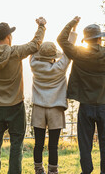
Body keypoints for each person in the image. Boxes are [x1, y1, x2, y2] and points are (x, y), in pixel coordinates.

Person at [57, 17, 105, 174]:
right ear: (100, 38)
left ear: (86, 40)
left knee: (85, 144)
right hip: (104, 106)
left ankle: (86, 171)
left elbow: (61, 39)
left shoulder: (78, 52)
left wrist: (72, 24)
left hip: (85, 106)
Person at [0, 12, 46, 174]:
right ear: (9, 36)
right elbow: (35, 44)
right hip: (16, 107)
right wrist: (41, 26)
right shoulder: (15, 52)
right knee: (16, 144)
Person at [29, 27, 78, 174]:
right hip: (55, 108)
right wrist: (73, 32)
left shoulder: (34, 65)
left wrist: (39, 28)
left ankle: (38, 169)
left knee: (38, 143)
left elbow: (33, 48)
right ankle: (53, 171)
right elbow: (68, 52)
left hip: (38, 108)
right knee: (53, 145)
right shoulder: (60, 67)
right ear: (53, 56)